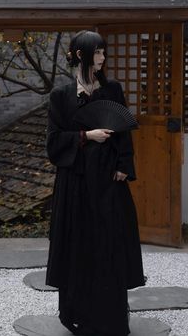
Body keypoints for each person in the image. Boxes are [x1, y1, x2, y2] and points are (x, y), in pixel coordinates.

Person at [45, 30, 145, 336]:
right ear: (80, 55)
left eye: (103, 52)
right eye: (97, 52)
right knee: (79, 245)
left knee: (109, 244)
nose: (102, 58)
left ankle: (113, 318)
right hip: (75, 182)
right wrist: (87, 136)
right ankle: (76, 315)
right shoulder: (61, 96)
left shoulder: (112, 89)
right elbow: (52, 143)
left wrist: (124, 166)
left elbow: (124, 131)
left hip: (108, 182)